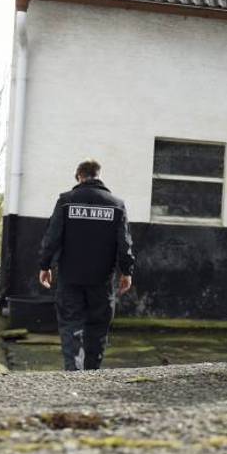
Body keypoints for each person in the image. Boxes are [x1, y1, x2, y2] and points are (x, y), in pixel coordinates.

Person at [38, 159, 135, 371]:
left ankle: (74, 373)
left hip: (70, 278)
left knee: (71, 326)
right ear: (98, 175)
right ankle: (91, 375)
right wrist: (126, 271)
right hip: (102, 280)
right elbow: (124, 243)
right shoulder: (116, 205)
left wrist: (44, 266)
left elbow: (52, 237)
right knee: (98, 329)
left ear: (80, 176)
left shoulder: (66, 201)